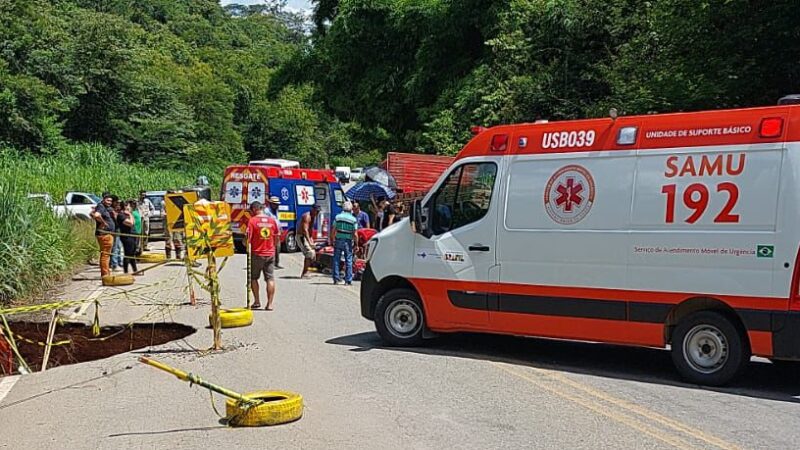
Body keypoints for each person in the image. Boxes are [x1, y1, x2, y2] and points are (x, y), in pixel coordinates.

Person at [246, 202, 279, 310]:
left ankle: (257, 301)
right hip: (270, 253)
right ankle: (270, 304)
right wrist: (272, 248)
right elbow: (277, 237)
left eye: (251, 211)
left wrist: (244, 242)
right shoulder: (272, 220)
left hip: (257, 253)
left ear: (255, 209)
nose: (250, 213)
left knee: (253, 278)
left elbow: (247, 239)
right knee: (270, 278)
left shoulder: (252, 221)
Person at [331, 201, 358, 285]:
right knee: (348, 260)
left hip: (338, 239)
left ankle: (336, 278)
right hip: (348, 241)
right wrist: (356, 244)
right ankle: (348, 280)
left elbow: (333, 230)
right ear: (351, 209)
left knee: (336, 259)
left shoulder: (338, 217)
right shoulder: (353, 219)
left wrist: (332, 239)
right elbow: (355, 233)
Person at [92, 193, 115, 278]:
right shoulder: (101, 206)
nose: (109, 202)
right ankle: (105, 275)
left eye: (110, 201)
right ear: (103, 199)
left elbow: (93, 214)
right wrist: (104, 223)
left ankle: (106, 273)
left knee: (105, 255)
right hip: (104, 235)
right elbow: (97, 215)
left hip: (106, 234)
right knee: (105, 255)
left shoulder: (105, 207)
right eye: (108, 200)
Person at [116, 201, 139, 275]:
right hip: (127, 237)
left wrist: (130, 215)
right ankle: (126, 272)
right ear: (125, 207)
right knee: (128, 254)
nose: (130, 208)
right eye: (129, 206)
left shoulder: (128, 214)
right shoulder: (121, 215)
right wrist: (130, 214)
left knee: (132, 254)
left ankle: (135, 270)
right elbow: (131, 223)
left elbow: (134, 222)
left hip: (132, 235)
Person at [298, 205, 320, 278]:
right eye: (316, 211)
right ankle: (304, 273)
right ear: (312, 209)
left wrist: (311, 239)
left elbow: (310, 229)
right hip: (302, 236)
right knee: (309, 253)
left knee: (314, 253)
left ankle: (308, 270)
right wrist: (309, 241)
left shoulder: (314, 216)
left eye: (318, 211)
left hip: (307, 237)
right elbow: (305, 230)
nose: (317, 213)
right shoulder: (307, 216)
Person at [268, 196, 283, 269]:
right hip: (271, 233)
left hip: (277, 233)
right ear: (271, 203)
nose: (277, 205)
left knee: (278, 248)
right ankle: (271, 264)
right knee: (272, 249)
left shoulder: (276, 211)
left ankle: (277, 263)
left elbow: (277, 220)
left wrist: (280, 228)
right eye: (275, 204)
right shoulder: (267, 211)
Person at [110, 196, 124, 271]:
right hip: (115, 230)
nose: (118, 204)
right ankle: (114, 264)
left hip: (118, 229)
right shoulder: (112, 210)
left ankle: (119, 262)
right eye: (116, 202)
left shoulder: (116, 210)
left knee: (119, 247)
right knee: (115, 247)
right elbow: (116, 218)